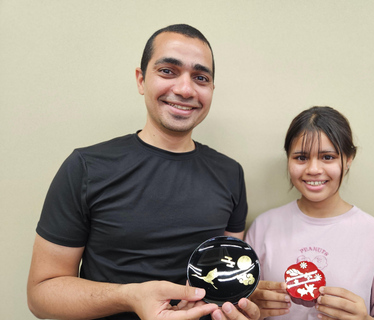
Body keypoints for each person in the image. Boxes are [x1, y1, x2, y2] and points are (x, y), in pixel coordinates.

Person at [27, 24, 259, 320]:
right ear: (141, 79)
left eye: (200, 77)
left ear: (211, 88)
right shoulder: (86, 167)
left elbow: (229, 277)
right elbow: (41, 295)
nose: (185, 89)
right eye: (168, 71)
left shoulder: (230, 173)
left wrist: (241, 307)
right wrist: (130, 296)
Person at [246, 106, 374, 319]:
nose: (313, 169)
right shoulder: (263, 227)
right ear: (288, 158)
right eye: (301, 157)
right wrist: (249, 307)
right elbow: (237, 306)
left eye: (327, 157)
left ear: (349, 158)